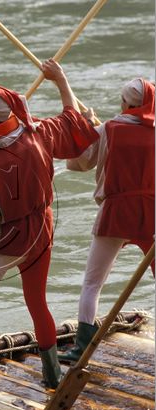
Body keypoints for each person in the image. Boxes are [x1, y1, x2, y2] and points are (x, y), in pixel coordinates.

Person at [0, 58, 99, 394]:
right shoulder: (38, 132)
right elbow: (73, 120)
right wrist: (60, 79)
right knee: (37, 301)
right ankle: (53, 375)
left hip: (12, 236)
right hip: (43, 227)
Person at [60, 78, 155, 363]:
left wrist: (90, 130)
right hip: (152, 211)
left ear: (125, 103)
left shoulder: (108, 130)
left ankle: (82, 347)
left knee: (93, 282)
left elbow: (77, 163)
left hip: (116, 210)